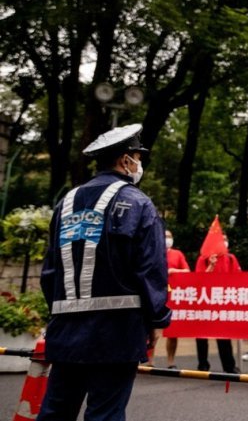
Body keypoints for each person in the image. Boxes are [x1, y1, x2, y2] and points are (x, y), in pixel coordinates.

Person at [38, 124, 171, 421]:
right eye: (138, 157)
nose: (140, 164)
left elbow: (49, 273)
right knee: (105, 413)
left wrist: (60, 313)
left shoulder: (66, 204)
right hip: (117, 332)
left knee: (56, 411)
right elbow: (150, 270)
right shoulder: (138, 204)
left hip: (66, 332)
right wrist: (157, 320)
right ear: (126, 160)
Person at [194, 234, 241, 373]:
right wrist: (211, 266)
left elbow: (240, 279)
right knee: (201, 336)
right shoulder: (203, 259)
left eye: (225, 240)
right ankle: (202, 365)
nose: (223, 243)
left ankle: (229, 366)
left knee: (224, 336)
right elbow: (198, 280)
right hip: (206, 302)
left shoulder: (231, 259)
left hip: (224, 302)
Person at [159, 229, 190, 369]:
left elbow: (187, 271)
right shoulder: (153, 251)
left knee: (172, 331)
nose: (167, 239)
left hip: (173, 296)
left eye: (169, 236)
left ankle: (170, 362)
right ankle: (149, 362)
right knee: (152, 332)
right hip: (156, 294)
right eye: (165, 236)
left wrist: (173, 271)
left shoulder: (177, 254)